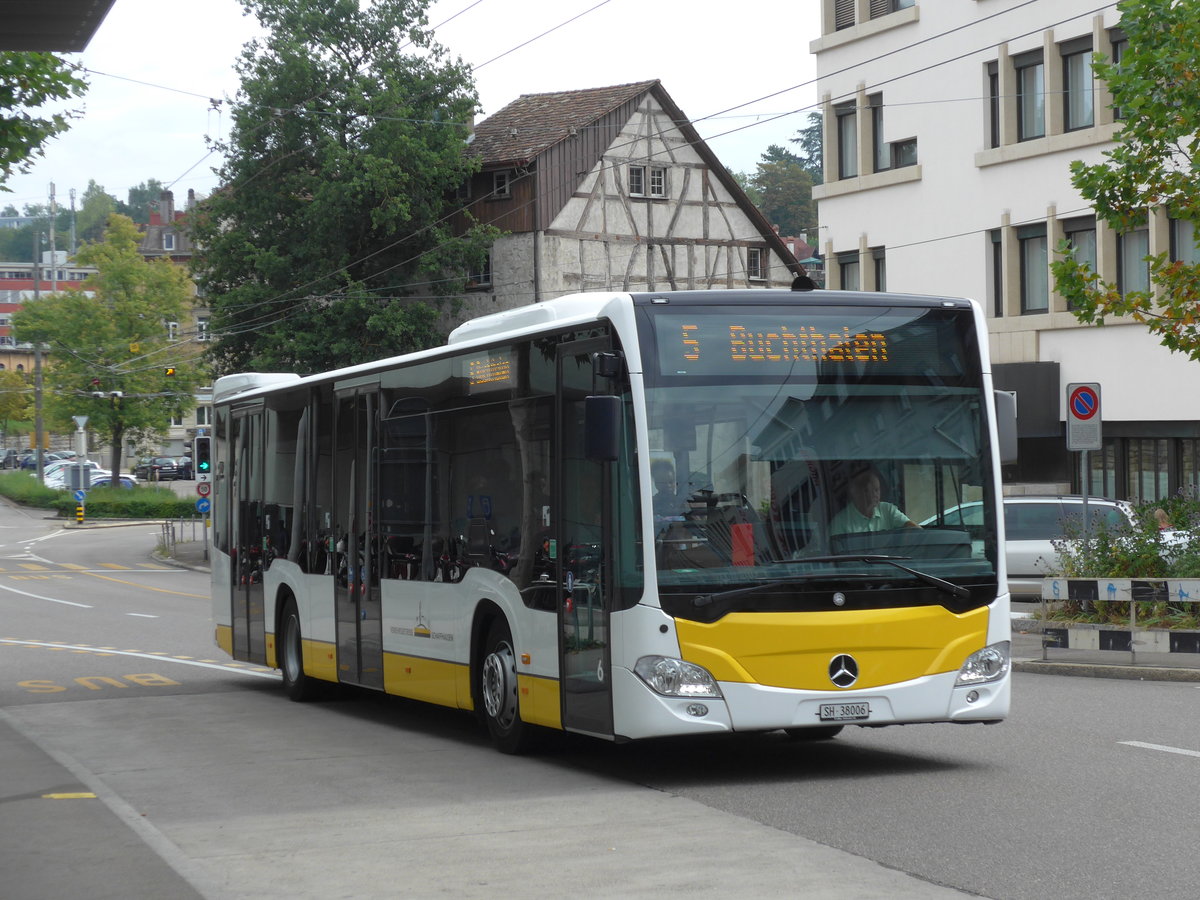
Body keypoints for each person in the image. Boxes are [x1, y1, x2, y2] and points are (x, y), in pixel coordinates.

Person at [830, 467, 918, 534]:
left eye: (877, 490)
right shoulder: (840, 523)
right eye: (867, 491)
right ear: (856, 493)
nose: (875, 495)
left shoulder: (887, 510)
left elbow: (914, 528)